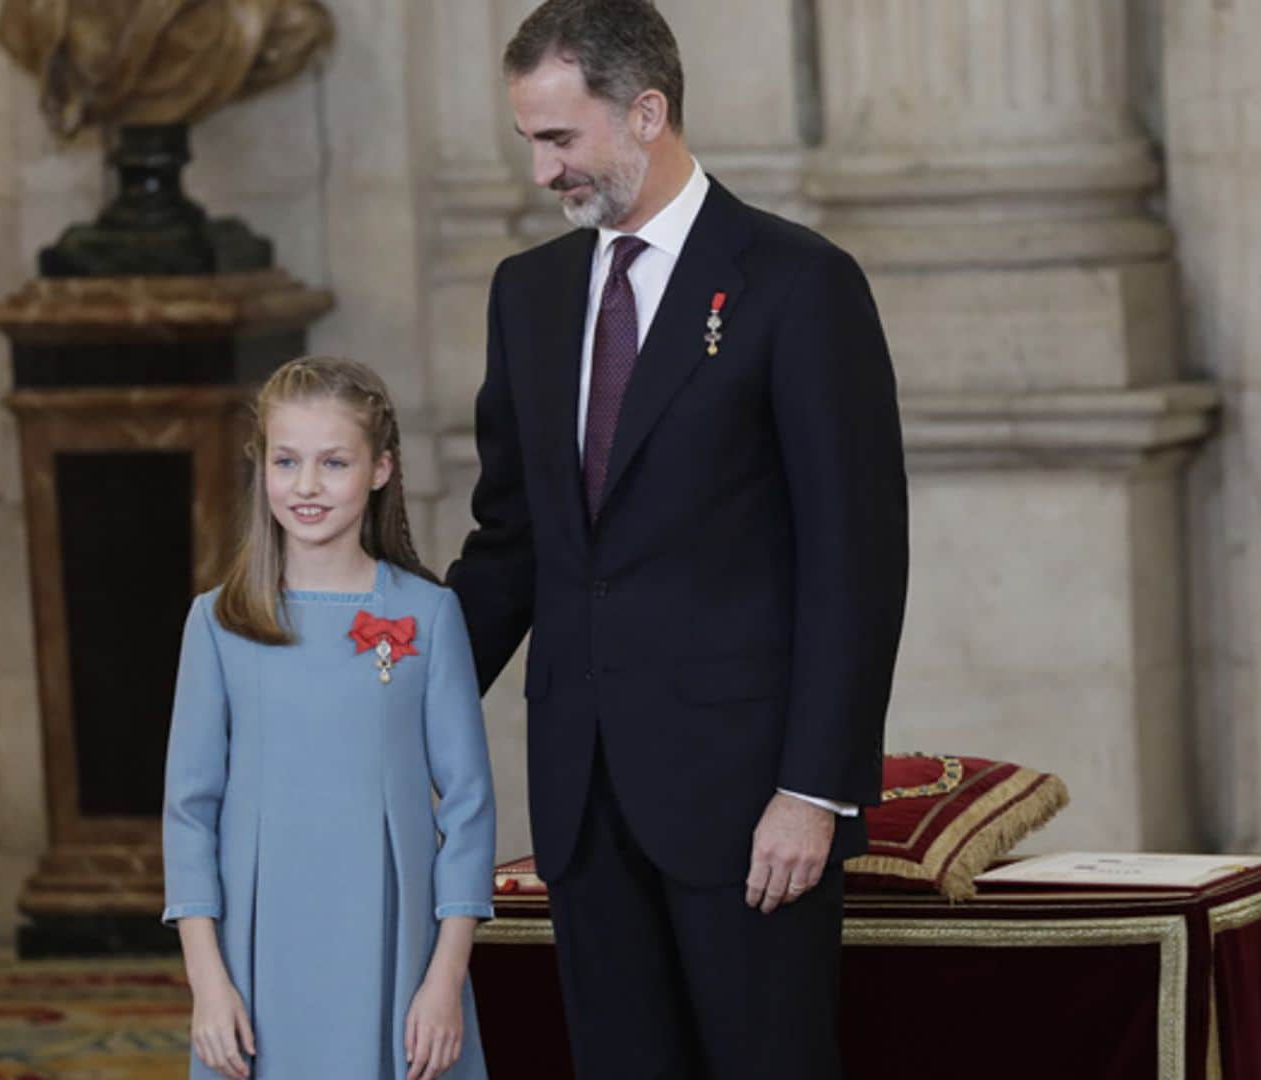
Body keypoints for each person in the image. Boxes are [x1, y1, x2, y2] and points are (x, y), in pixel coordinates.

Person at [445, 2, 909, 1076]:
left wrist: (815, 789)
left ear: (647, 111)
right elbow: (510, 542)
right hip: (583, 799)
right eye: (529, 142)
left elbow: (857, 556)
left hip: (751, 805)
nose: (542, 172)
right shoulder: (530, 295)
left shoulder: (798, 283)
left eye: (559, 139)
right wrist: (396, 696)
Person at [162, 357, 496, 1080]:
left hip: (395, 957)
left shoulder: (429, 615)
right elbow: (189, 813)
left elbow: (469, 806)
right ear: (262, 467)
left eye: (333, 462)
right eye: (287, 461)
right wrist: (208, 984)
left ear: (379, 469)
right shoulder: (217, 624)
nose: (306, 486)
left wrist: (444, 981)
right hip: (257, 965)